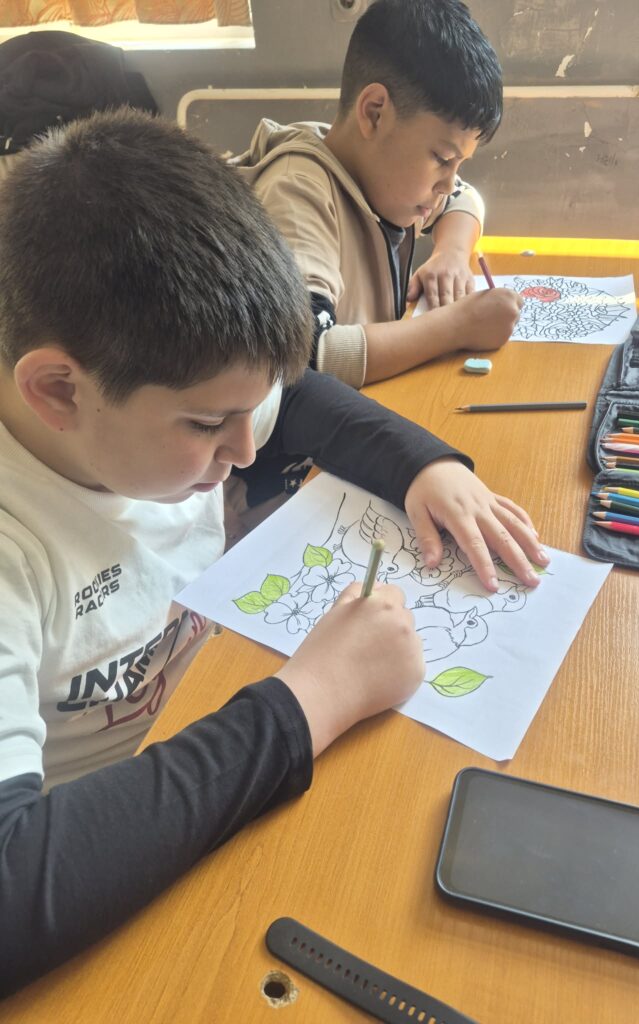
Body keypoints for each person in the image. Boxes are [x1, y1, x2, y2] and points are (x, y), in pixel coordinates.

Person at [0, 108, 547, 995]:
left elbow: (292, 398)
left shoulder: (165, 387)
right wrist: (312, 699)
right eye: (208, 425)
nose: (246, 452)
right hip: (94, 900)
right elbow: (14, 888)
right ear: (59, 390)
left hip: (200, 746)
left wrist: (424, 464)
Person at [232, 0, 521, 391]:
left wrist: (451, 254)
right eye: (442, 158)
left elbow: (464, 198)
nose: (447, 183)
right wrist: (458, 325)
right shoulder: (296, 193)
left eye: (459, 164)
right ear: (374, 113)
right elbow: (304, 355)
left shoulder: (373, 167)